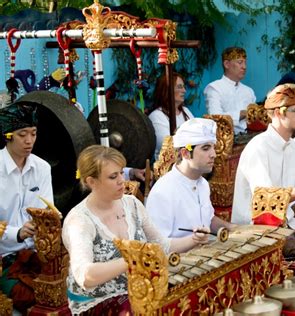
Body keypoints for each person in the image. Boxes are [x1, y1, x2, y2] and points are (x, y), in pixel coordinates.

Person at [62, 145, 205, 314]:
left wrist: (194, 239)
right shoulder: (79, 220)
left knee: (188, 295)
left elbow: (162, 246)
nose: (121, 180)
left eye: (121, 173)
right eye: (113, 176)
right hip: (98, 302)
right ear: (91, 182)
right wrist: (132, 260)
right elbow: (85, 276)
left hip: (140, 291)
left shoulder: (132, 204)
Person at [0, 101, 53, 313]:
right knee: (31, 299)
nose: (29, 140)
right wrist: (18, 233)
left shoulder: (42, 168)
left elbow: (48, 212)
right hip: (4, 259)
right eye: (22, 134)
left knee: (67, 289)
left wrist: (46, 225)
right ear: (8, 136)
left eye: (33, 133)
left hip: (35, 254)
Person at [232, 83, 295, 225]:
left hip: (285, 222)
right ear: (278, 113)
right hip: (255, 231)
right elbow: (267, 200)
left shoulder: (292, 146)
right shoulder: (258, 147)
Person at [147, 118, 235, 238]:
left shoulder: (203, 183)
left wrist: (233, 228)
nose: (213, 154)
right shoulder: (163, 192)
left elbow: (208, 220)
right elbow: (158, 245)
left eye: (213, 147)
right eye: (205, 148)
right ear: (185, 153)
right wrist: (192, 241)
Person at [204, 47, 256, 134]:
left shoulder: (249, 91)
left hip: (249, 138)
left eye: (245, 62)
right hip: (225, 141)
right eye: (240, 62)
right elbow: (215, 117)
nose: (244, 67)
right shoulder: (214, 88)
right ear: (227, 64)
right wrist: (242, 114)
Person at [149, 72, 194, 158]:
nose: (184, 90)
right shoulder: (156, 116)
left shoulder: (186, 111)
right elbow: (169, 145)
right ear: (167, 90)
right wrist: (191, 144)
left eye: (184, 87)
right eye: (179, 87)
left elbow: (198, 134)